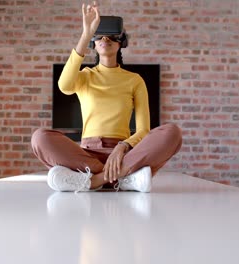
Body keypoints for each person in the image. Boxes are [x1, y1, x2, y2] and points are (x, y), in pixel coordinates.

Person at [31, 2, 182, 193]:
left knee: (172, 133)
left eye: (111, 36)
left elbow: (143, 130)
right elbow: (64, 86)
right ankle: (121, 178)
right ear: (94, 43)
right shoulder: (85, 76)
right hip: (86, 154)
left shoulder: (134, 80)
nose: (105, 38)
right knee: (40, 138)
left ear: (121, 43)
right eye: (99, 36)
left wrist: (122, 148)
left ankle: (93, 181)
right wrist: (86, 34)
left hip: (124, 154)